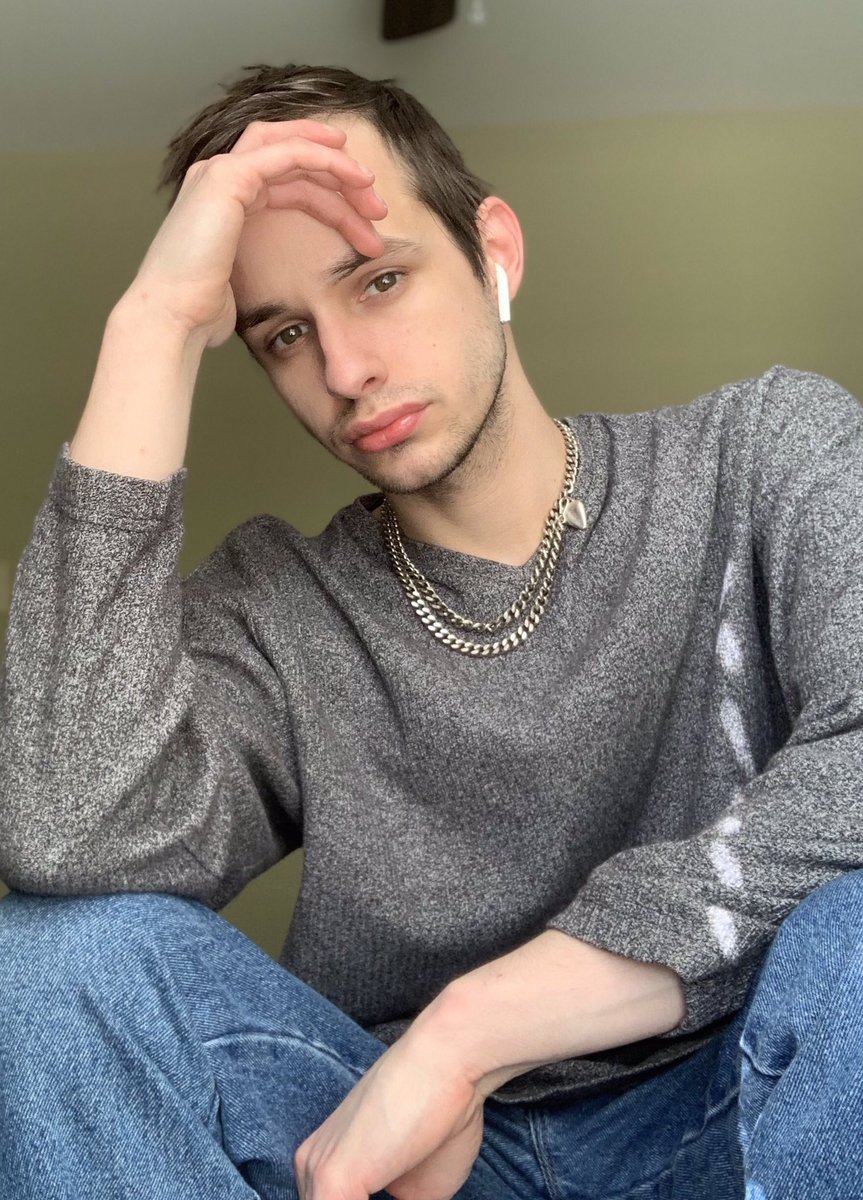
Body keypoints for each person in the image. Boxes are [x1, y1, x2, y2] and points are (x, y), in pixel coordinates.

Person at [0, 63, 862, 1200]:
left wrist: (470, 1032)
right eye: (283, 336)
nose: (345, 371)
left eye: (378, 280)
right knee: (45, 962)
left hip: (738, 1109)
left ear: (493, 251)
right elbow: (66, 837)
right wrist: (150, 328)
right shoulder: (277, 604)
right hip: (401, 1159)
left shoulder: (760, 456)